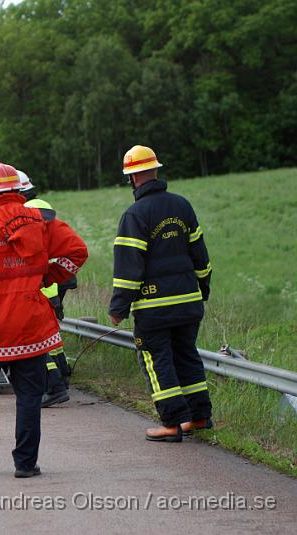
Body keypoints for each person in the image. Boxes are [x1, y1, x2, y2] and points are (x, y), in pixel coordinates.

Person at [0, 163, 88, 478]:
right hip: (31, 325)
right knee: (29, 397)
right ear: (19, 192)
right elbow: (77, 251)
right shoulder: (42, 222)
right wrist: (47, 275)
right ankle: (25, 464)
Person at [109, 145, 213, 442]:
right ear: (156, 171)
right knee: (186, 356)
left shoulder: (134, 214)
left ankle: (171, 424)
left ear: (133, 178)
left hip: (154, 308)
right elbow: (201, 257)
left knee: (157, 361)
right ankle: (199, 416)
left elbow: (128, 270)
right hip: (188, 302)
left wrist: (119, 308)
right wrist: (201, 289)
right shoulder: (183, 206)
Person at [18, 170, 72, 408]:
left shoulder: (27, 212)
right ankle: (63, 375)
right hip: (53, 285)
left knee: (37, 341)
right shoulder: (43, 205)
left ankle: (54, 385)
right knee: (52, 338)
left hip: (41, 287)